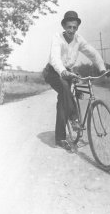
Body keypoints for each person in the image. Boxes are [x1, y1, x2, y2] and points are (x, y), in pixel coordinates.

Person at [43, 11, 106, 151]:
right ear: (64, 26)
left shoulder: (79, 40)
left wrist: (102, 69)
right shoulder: (57, 37)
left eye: (74, 27)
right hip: (53, 71)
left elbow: (92, 53)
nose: (71, 30)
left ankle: (60, 138)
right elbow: (54, 58)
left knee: (63, 102)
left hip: (67, 72)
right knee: (65, 88)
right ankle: (74, 118)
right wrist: (62, 71)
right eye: (69, 27)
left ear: (77, 28)